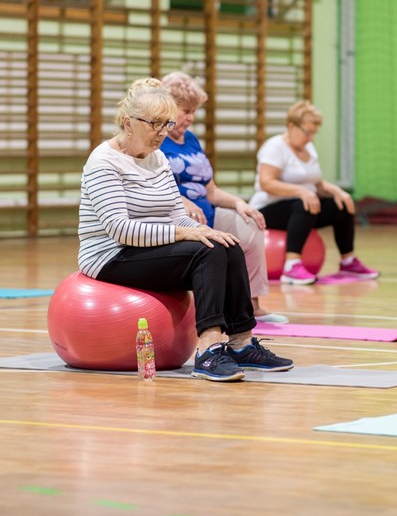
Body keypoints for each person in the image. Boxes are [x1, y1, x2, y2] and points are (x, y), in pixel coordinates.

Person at [78, 77, 294, 382]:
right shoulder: (103, 162)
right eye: (155, 124)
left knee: (225, 243)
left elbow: (177, 216)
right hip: (111, 256)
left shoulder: (159, 159)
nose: (162, 133)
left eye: (166, 124)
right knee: (204, 253)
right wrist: (186, 234)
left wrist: (201, 230)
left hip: (146, 249)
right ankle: (207, 350)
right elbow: (119, 230)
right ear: (129, 122)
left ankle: (242, 344)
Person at [159, 71, 287, 323]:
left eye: (194, 111)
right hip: (179, 219)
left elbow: (211, 190)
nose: (190, 117)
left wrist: (240, 203)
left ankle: (252, 305)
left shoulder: (192, 140)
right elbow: (155, 187)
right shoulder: (158, 141)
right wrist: (183, 202)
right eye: (185, 110)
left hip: (208, 213)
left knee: (251, 226)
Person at [249, 100, 379, 284]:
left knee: (341, 205)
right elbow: (266, 183)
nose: (310, 138)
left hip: (302, 211)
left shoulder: (308, 147)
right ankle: (291, 266)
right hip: (265, 211)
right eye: (307, 132)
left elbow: (315, 182)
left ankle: (348, 261)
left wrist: (337, 191)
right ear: (291, 126)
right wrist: (301, 191)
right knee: (304, 202)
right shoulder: (275, 147)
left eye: (314, 133)